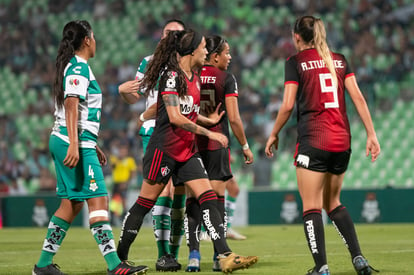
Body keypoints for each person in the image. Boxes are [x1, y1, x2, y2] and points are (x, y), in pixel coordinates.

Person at [116, 29, 258, 274]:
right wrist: (210, 132)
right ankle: (119, 257)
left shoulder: (195, 76)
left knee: (209, 197)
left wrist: (207, 119)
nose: (206, 51)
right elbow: (173, 116)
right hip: (164, 150)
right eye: (203, 47)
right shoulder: (172, 76)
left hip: (187, 151)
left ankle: (224, 255)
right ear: (192, 51)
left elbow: (187, 111)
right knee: (144, 203)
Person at [265, 16, 380, 275]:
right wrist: (371, 134)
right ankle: (358, 258)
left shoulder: (295, 63)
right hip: (342, 141)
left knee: (311, 206)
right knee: (333, 202)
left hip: (314, 141)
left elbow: (286, 104)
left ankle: (321, 267)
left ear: (296, 37)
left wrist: (273, 134)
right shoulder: (339, 60)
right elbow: (359, 98)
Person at [32, 20, 148, 275]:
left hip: (71, 140)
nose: (95, 42)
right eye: (93, 37)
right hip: (71, 142)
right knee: (99, 201)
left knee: (70, 206)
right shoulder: (78, 67)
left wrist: (91, 144)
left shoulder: (75, 66)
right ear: (87, 40)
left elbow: (78, 111)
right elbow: (71, 103)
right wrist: (76, 144)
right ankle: (115, 266)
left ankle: (42, 266)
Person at [118, 19, 186, 272]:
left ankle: (174, 254)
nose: (172, 37)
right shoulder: (149, 62)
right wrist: (123, 91)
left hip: (185, 132)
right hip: (157, 133)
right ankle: (163, 254)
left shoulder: (190, 63)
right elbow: (133, 96)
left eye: (177, 33)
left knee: (180, 195)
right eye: (168, 32)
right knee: (163, 192)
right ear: (161, 36)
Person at [185, 35, 254, 272]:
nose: (230, 57)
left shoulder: (190, 73)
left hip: (190, 144)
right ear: (215, 56)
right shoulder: (226, 78)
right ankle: (219, 256)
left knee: (193, 201)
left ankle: (193, 256)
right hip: (215, 145)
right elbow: (233, 118)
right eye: (227, 53)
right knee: (216, 201)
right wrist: (245, 146)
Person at [109, 142, 137, 225]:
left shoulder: (130, 160)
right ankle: (112, 220)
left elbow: (133, 173)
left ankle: (124, 220)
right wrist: (118, 159)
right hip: (116, 183)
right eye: (121, 151)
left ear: (127, 152)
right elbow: (112, 167)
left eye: (124, 151)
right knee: (114, 202)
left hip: (124, 183)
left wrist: (127, 183)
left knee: (124, 201)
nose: (122, 152)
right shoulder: (114, 159)